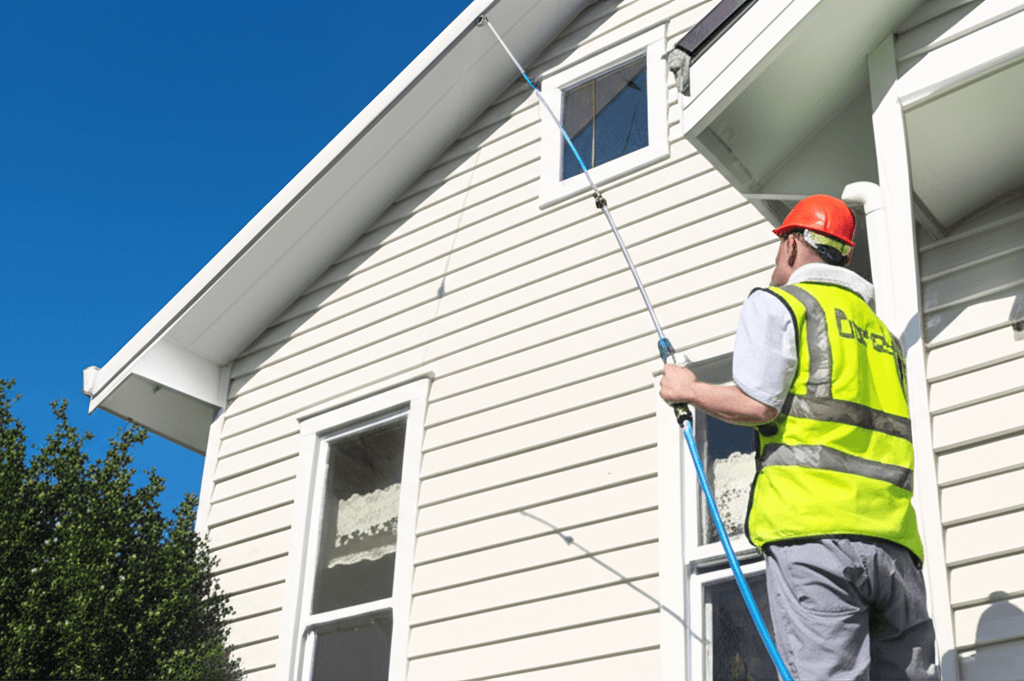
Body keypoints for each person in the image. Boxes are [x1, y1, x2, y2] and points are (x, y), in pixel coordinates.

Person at [660, 195, 939, 680]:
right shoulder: (883, 336)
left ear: (791, 244)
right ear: (844, 256)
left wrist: (690, 389)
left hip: (815, 538)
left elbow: (757, 403)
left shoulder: (781, 304)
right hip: (894, 549)